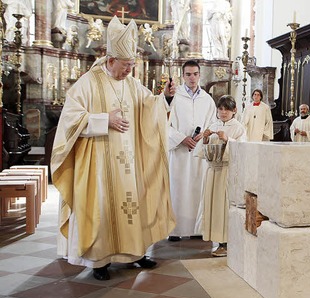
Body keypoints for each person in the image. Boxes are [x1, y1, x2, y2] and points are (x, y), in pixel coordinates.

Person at [51, 16, 177, 281]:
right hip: (98, 161)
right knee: (102, 207)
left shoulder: (132, 83)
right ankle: (99, 261)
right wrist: (103, 119)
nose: (130, 71)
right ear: (110, 61)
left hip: (130, 162)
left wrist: (164, 97)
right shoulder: (89, 82)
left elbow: (148, 106)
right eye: (126, 65)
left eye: (132, 65)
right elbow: (71, 119)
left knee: (134, 203)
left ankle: (135, 253)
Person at [166, 60, 217, 242]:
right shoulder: (174, 97)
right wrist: (181, 138)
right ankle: (175, 229)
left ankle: (197, 229)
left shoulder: (207, 100)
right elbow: (164, 124)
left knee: (198, 188)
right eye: (188, 74)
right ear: (183, 75)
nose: (192, 78)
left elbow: (213, 123)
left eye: (195, 74)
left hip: (199, 152)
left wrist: (204, 134)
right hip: (179, 153)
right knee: (178, 189)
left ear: (199, 75)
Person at [195, 95, 246, 257]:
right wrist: (204, 138)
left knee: (224, 206)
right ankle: (216, 239)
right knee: (212, 205)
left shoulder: (239, 128)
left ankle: (227, 242)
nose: (223, 112)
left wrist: (228, 140)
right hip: (213, 171)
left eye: (227, 109)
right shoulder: (213, 125)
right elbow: (202, 151)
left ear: (234, 110)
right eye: (221, 109)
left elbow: (244, 151)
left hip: (227, 172)